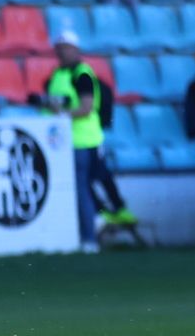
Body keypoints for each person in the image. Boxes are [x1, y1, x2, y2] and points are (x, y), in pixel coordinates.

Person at [43, 30, 134, 251]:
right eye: (59, 47)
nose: (61, 51)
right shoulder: (56, 75)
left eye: (65, 47)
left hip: (83, 141)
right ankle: (93, 224)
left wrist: (60, 114)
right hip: (61, 143)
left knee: (82, 187)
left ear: (75, 49)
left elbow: (86, 108)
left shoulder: (82, 75)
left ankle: (89, 236)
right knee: (79, 187)